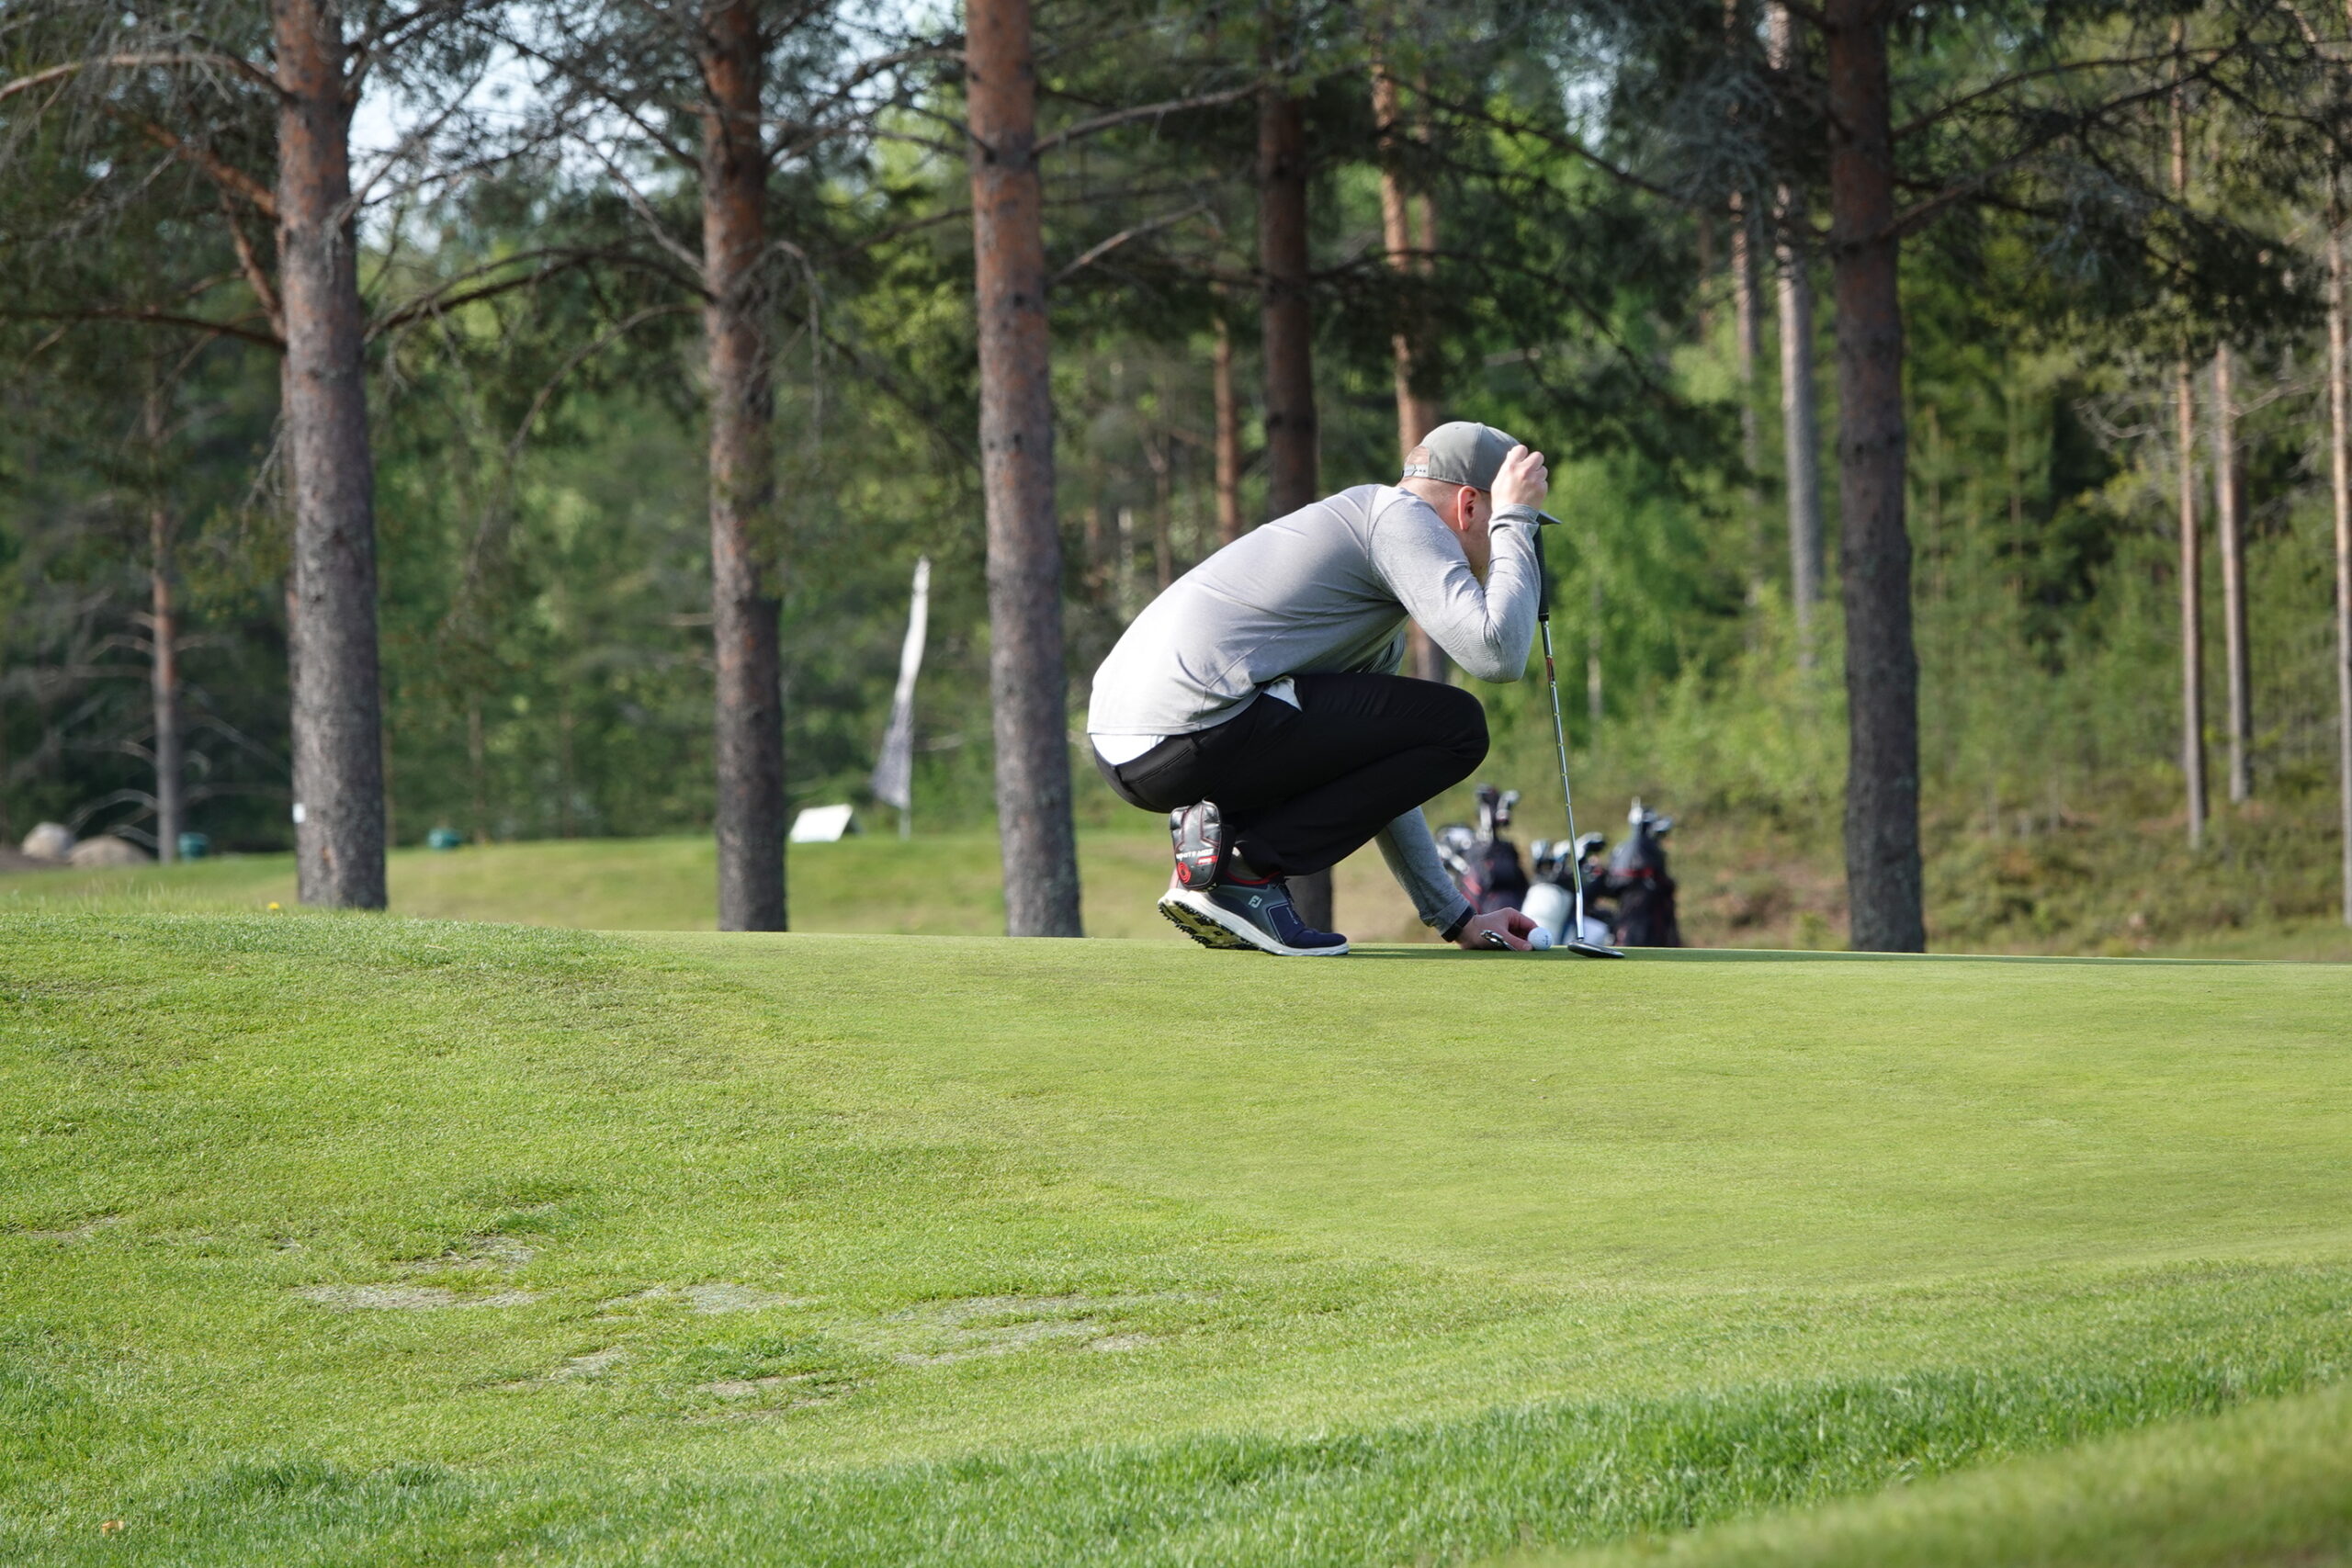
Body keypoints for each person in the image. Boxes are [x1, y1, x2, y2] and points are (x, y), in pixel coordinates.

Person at [1086, 420, 1552, 956]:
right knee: (1459, 726)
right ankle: (1240, 871)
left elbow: (1380, 769)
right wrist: (1516, 518)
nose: (1516, 538)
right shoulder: (1400, 517)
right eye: (1508, 517)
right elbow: (1497, 655)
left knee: (1425, 727)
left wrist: (1456, 917)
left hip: (1132, 750)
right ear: (1469, 505)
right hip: (1186, 731)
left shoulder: (1370, 584)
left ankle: (1216, 868)